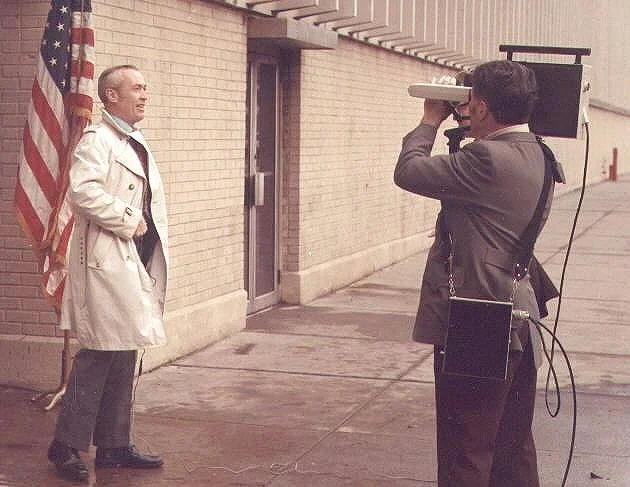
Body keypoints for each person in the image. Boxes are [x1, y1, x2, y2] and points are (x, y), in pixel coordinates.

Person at [394, 60, 556, 486]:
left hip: (478, 317)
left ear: (482, 108)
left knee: (465, 447)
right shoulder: (539, 152)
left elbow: (408, 171)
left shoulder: (485, 158)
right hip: (520, 311)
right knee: (512, 445)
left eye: (471, 102)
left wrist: (430, 119)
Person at [47, 65, 169, 483]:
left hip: (132, 259)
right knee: (98, 352)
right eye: (136, 87)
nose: (144, 94)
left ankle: (115, 445)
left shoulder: (134, 141)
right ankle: (65, 445)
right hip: (107, 260)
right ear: (110, 97)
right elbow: (82, 191)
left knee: (125, 347)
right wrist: (127, 218)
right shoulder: (97, 140)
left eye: (145, 87)